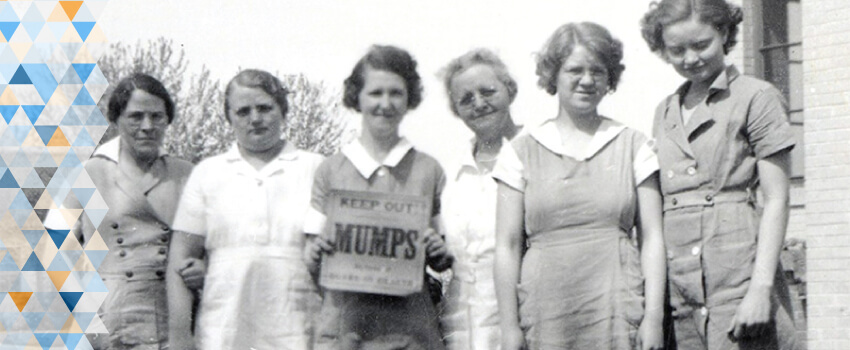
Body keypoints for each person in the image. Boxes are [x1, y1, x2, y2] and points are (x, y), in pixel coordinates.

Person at [493, 22, 667, 350]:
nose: (587, 80)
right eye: (575, 70)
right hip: (546, 309)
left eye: (598, 71)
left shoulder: (634, 145)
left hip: (616, 303)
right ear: (553, 75)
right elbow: (507, 245)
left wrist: (653, 317)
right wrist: (509, 326)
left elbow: (653, 238)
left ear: (610, 78)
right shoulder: (520, 150)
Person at [640, 0, 800, 349]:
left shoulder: (756, 97)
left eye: (701, 45)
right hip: (681, 283)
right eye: (676, 50)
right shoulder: (664, 111)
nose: (690, 58)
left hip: (738, 271)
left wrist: (760, 289)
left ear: (724, 33)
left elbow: (777, 199)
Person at [303, 45, 453, 350]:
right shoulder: (330, 170)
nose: (386, 103)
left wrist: (439, 252)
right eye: (375, 93)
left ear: (409, 97)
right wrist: (316, 252)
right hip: (346, 329)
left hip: (411, 331)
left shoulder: (428, 170)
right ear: (356, 97)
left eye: (396, 93)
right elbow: (308, 257)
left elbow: (442, 259)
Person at [42, 73, 204, 349]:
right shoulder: (88, 174)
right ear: (116, 119)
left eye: (157, 116)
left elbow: (219, 244)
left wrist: (205, 269)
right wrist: (89, 323)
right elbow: (51, 251)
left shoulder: (188, 175)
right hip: (113, 319)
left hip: (177, 318)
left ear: (168, 120)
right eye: (135, 116)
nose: (147, 126)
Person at [166, 69, 324, 350]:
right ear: (229, 118)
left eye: (265, 108)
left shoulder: (317, 169)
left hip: (299, 331)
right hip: (223, 332)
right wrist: (180, 339)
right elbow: (180, 261)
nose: (255, 118)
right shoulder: (208, 173)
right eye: (243, 111)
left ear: (283, 110)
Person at [437, 48, 521, 350]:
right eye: (466, 99)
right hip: (462, 330)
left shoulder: (537, 154)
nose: (479, 104)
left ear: (509, 90)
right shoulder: (449, 175)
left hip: (526, 326)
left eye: (488, 92)